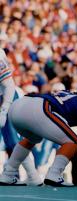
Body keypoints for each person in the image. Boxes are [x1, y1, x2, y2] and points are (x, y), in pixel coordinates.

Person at [0, 90, 77, 187]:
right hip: (38, 107)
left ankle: (8, 173)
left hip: (18, 106)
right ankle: (54, 174)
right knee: (73, 142)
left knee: (32, 138)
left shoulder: (71, 95)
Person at [0, 48, 42, 186]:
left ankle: (33, 176)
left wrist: (4, 110)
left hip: (6, 98)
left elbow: (9, 86)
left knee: (12, 140)